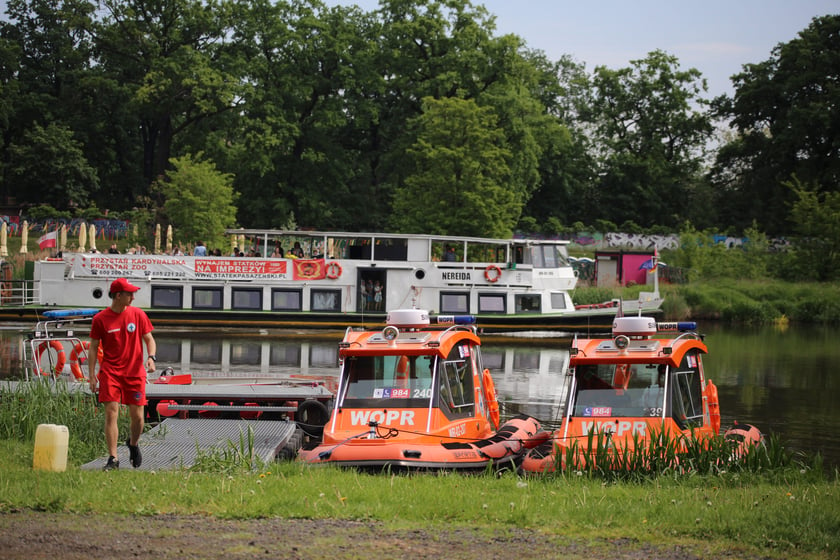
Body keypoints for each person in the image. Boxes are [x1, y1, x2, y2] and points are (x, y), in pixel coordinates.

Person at [88, 278, 156, 471]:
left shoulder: (138, 315)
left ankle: (133, 444)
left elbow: (149, 339)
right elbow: (93, 348)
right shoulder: (100, 319)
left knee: (138, 418)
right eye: (129, 294)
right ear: (118, 295)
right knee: (111, 413)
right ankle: (113, 458)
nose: (133, 297)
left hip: (134, 373)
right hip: (110, 372)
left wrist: (151, 357)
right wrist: (92, 375)